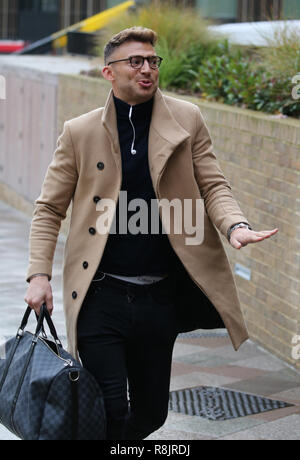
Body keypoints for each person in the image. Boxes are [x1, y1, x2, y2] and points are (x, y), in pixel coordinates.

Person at [24, 27, 278, 440]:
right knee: (109, 406)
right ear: (109, 72)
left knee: (151, 415)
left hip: (158, 297)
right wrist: (39, 274)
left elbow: (213, 184)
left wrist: (235, 225)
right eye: (135, 62)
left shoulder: (187, 119)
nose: (147, 69)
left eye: (152, 61)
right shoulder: (80, 131)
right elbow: (49, 208)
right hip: (99, 295)